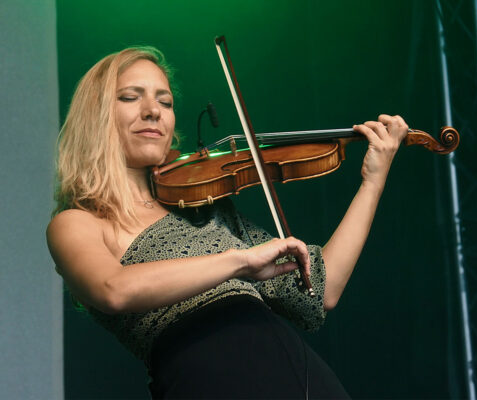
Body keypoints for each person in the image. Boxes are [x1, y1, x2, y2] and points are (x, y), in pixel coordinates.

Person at [47, 46, 408, 399]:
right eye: (130, 97)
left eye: (165, 101)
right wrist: (241, 261)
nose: (153, 111)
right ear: (95, 115)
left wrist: (372, 182)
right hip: (209, 382)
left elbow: (323, 288)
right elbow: (114, 289)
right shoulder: (77, 223)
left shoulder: (205, 208)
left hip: (304, 378)